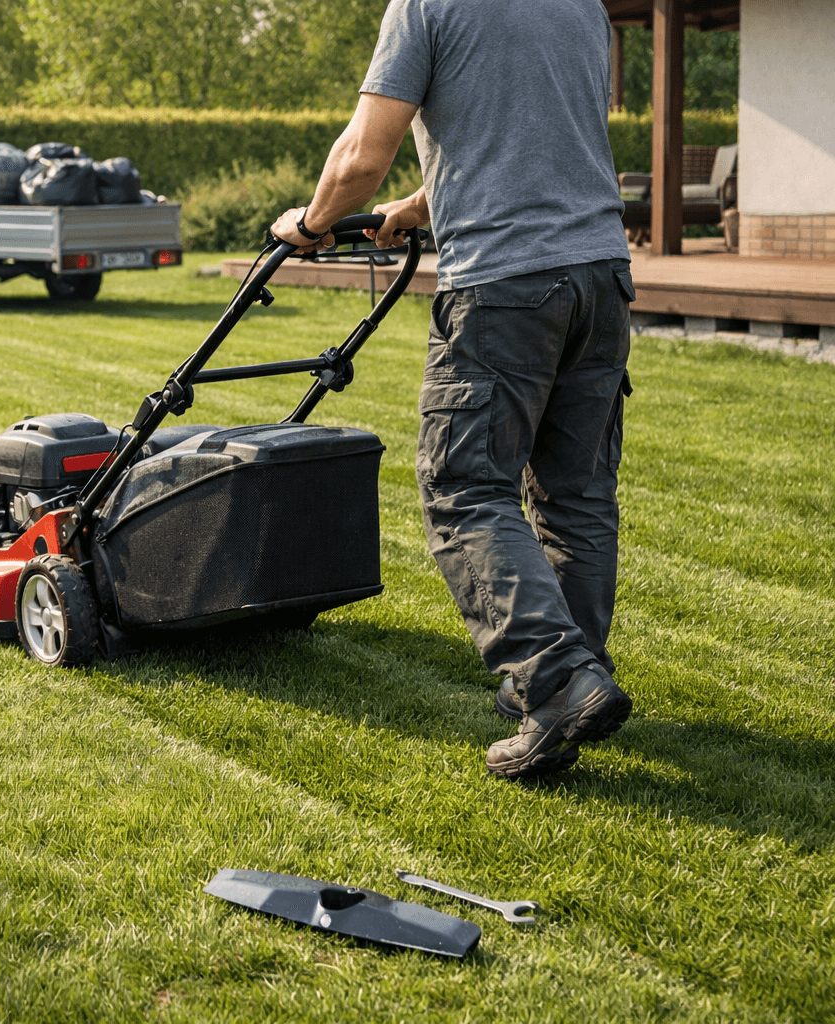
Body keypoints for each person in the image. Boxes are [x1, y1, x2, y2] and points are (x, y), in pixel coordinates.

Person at [269, 0, 635, 780]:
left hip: (504, 288)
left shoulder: (426, 5)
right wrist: (415, 208)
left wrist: (311, 220)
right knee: (576, 496)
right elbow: (532, 143)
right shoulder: (580, 6)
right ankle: (568, 689)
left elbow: (363, 153)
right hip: (601, 277)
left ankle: (558, 677)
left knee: (464, 487)